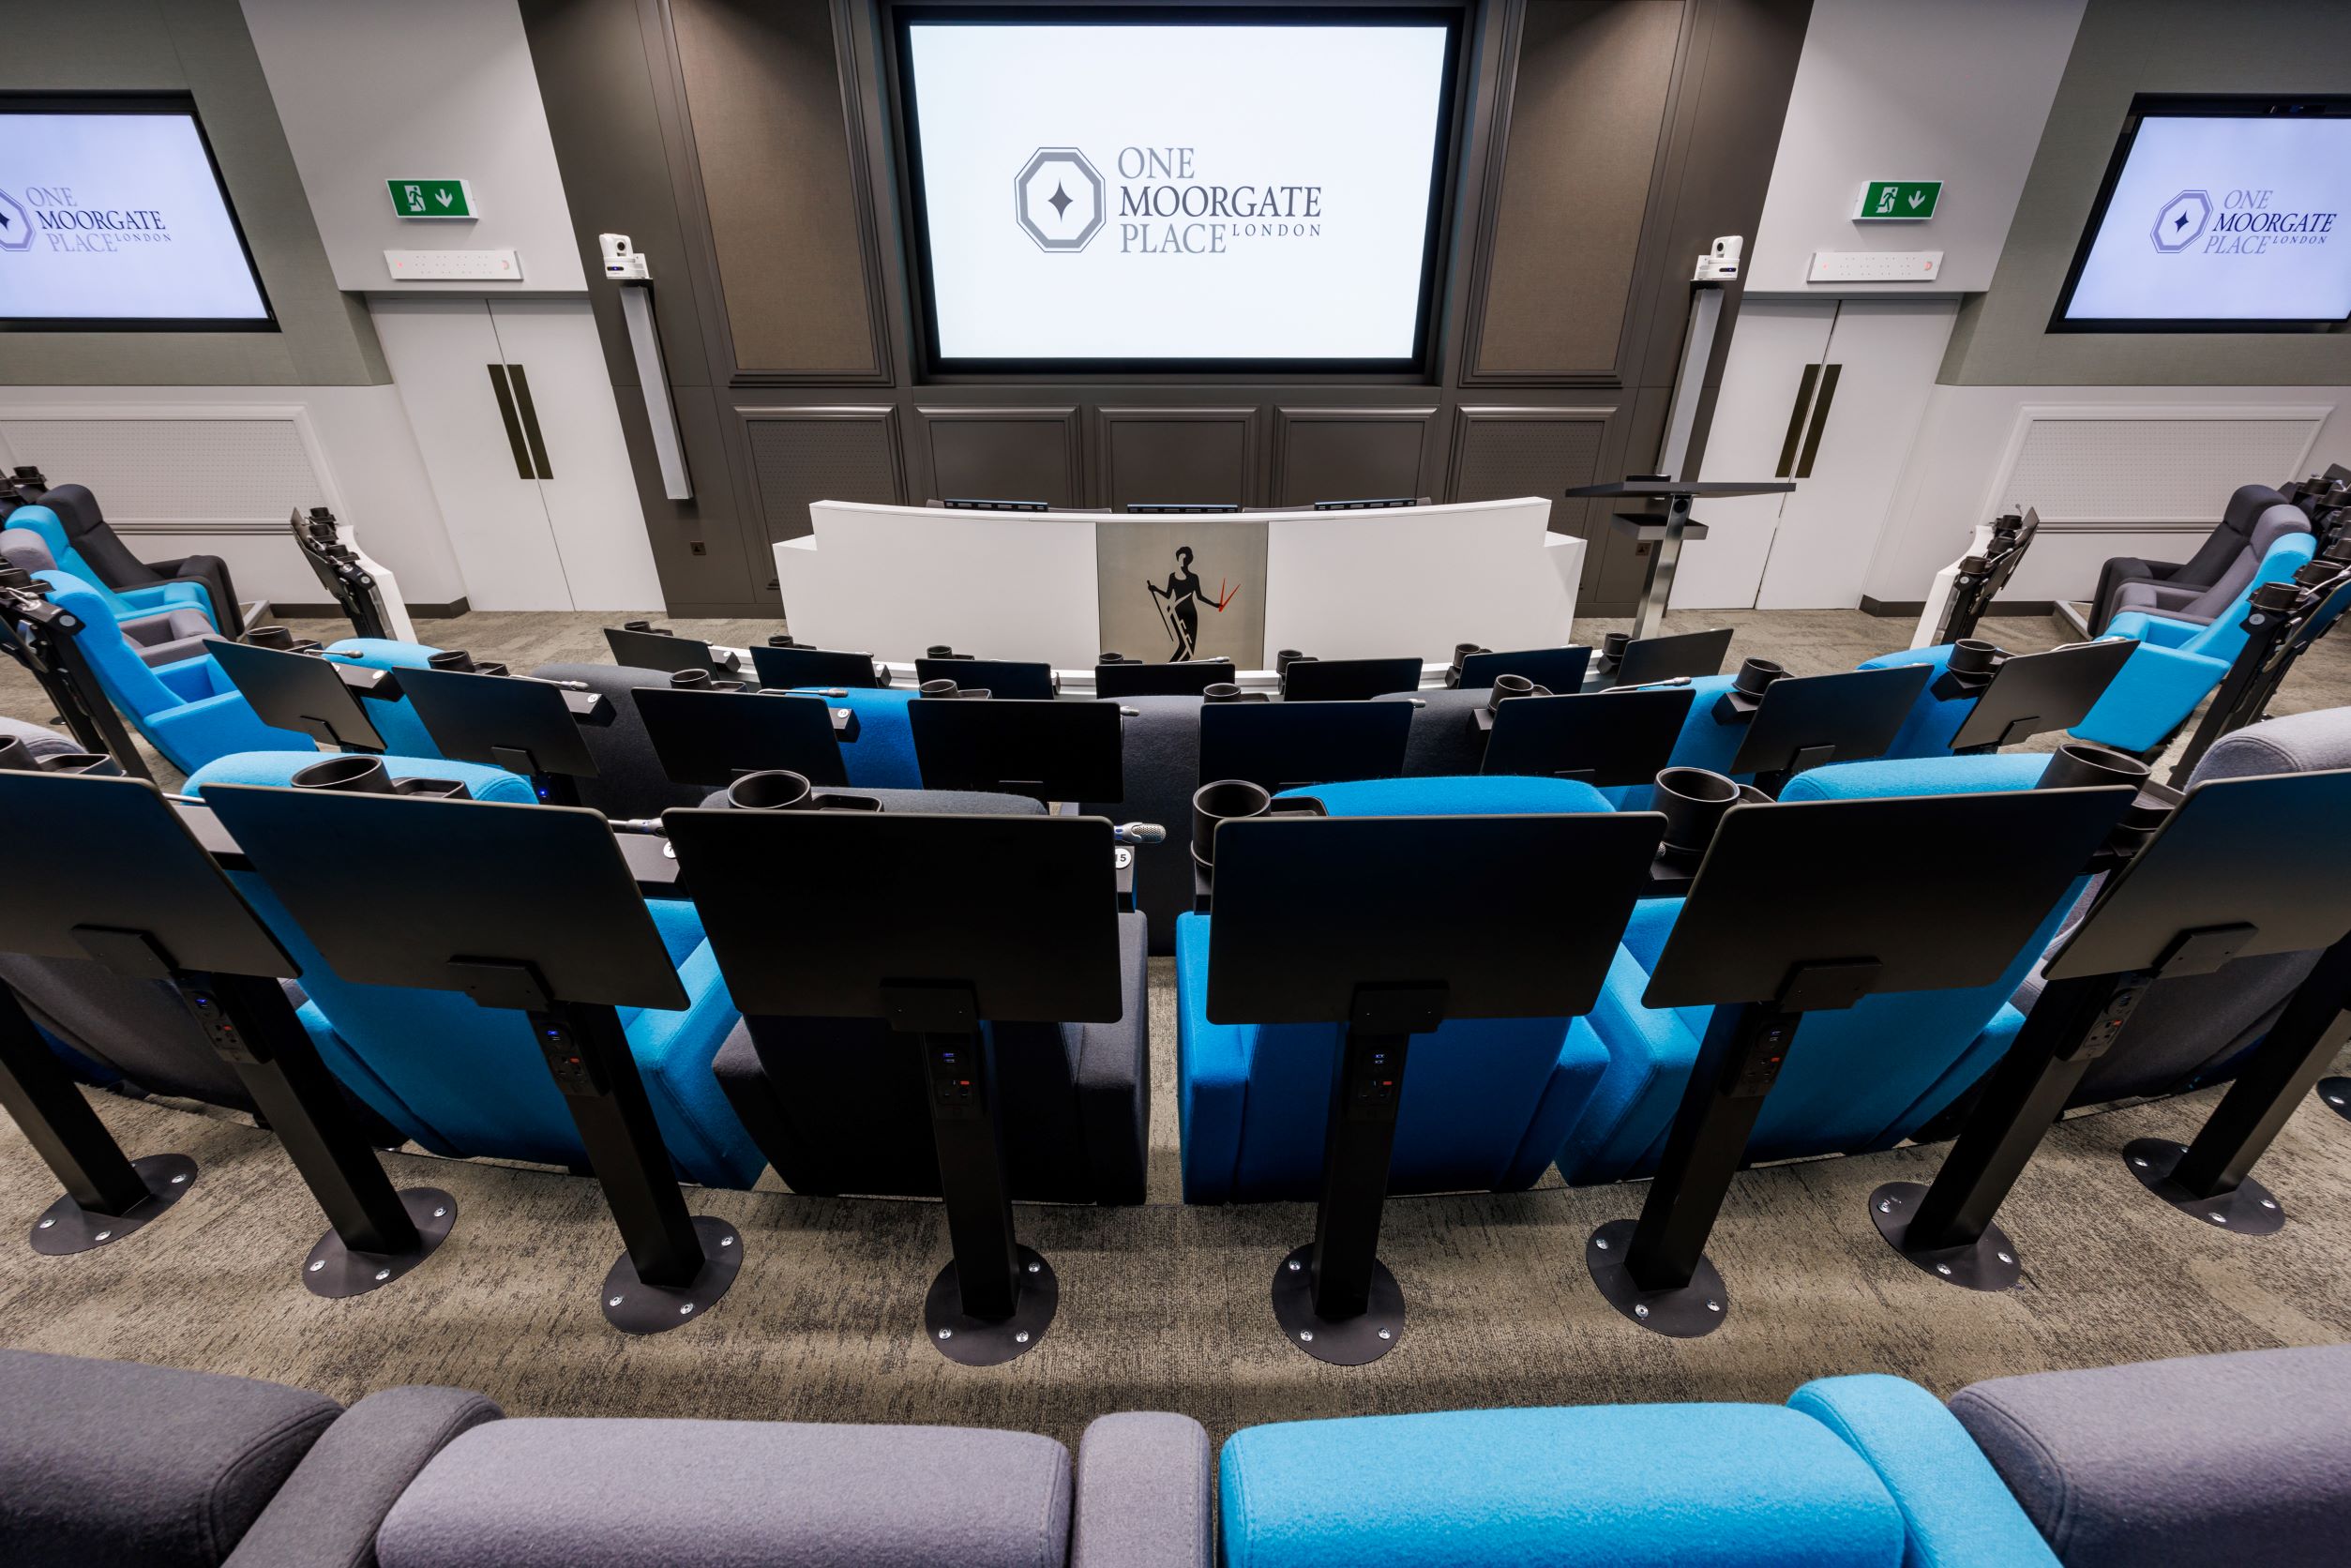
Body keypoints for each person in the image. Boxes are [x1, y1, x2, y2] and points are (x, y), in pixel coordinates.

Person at [1147, 545, 1205, 661]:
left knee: (1189, 650)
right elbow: (1168, 595)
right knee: (1184, 646)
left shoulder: (1194, 577)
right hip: (1177, 612)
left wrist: (1216, 604)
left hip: (1192, 614)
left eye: (1185, 558)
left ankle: (1174, 672)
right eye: (1180, 558)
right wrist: (1156, 589)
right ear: (1178, 559)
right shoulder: (1172, 577)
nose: (1182, 561)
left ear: (1189, 559)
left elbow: (1199, 597)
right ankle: (1169, 670)